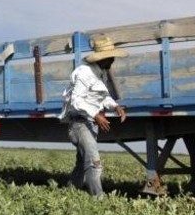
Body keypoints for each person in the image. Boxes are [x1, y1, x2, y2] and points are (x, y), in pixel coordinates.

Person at [59, 35, 142, 197]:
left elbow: (102, 97)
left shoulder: (100, 73)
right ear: (102, 58)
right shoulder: (84, 73)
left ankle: (70, 191)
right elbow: (76, 101)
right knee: (94, 162)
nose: (113, 60)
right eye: (110, 57)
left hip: (90, 124)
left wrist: (115, 106)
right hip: (80, 124)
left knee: (82, 162)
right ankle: (98, 198)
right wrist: (96, 115)